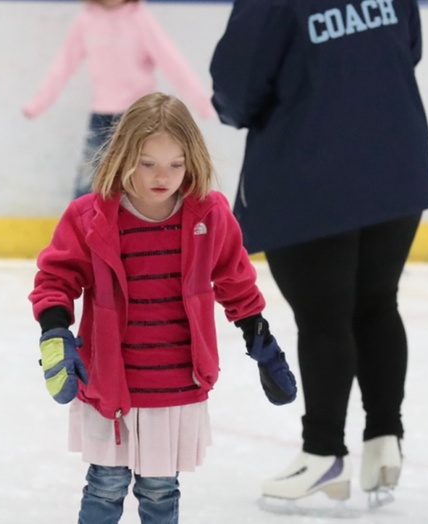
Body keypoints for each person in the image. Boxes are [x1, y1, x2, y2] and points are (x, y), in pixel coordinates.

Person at [28, 92, 297, 524]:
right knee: (106, 483)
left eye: (176, 164)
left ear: (191, 160)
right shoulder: (90, 216)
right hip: (110, 379)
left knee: (159, 490)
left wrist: (262, 345)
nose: (162, 176)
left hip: (174, 382)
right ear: (124, 155)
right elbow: (55, 280)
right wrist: (55, 332)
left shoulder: (210, 216)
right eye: (148, 162)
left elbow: (236, 283)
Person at [210, 0, 428, 509]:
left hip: (310, 174)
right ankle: (384, 441)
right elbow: (408, 50)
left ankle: (323, 453)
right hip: (395, 162)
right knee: (377, 302)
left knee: (323, 317)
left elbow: (237, 88)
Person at [22, 0, 215, 199]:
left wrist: (202, 103)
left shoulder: (140, 19)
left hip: (139, 117)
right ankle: (80, 227)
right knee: (89, 179)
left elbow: (172, 62)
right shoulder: (86, 20)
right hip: (102, 114)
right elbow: (63, 65)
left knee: (141, 175)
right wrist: (38, 104)